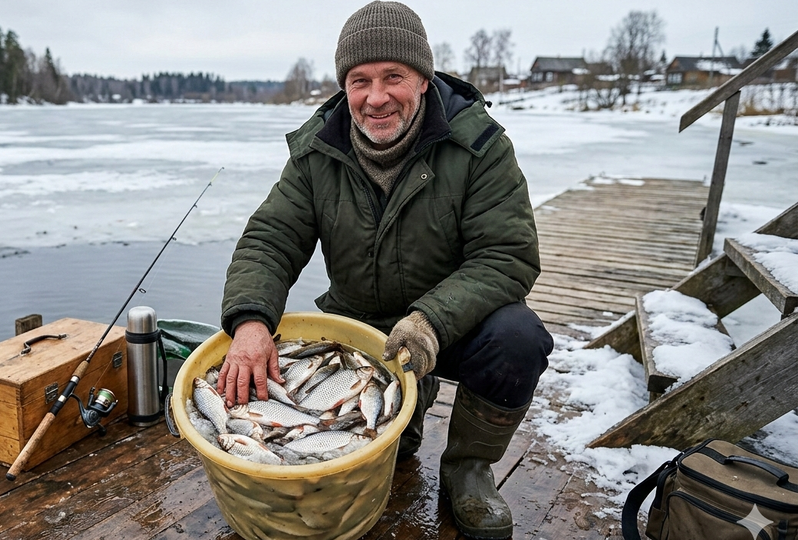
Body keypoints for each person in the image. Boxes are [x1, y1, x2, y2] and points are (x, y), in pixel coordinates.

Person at [217, 1, 553, 538]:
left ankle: (468, 468)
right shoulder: (316, 152)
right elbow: (272, 238)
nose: (375, 98)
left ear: (422, 79)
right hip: (357, 326)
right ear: (344, 87)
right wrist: (251, 320)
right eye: (359, 80)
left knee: (518, 338)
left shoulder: (480, 146)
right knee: (385, 450)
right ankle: (404, 415)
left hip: (448, 324)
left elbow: (507, 255)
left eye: (392, 76)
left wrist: (430, 322)